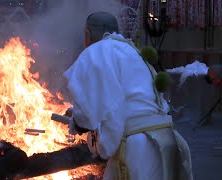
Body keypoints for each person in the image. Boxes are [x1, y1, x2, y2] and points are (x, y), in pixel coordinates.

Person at [63, 12, 193, 180]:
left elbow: (86, 115)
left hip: (138, 146)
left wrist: (77, 122)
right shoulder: (132, 50)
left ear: (87, 34)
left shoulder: (96, 51)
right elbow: (128, 99)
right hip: (169, 140)